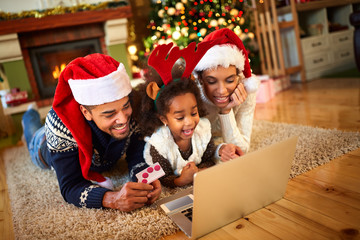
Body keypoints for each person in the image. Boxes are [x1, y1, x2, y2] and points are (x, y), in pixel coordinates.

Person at [22, 53, 161, 211]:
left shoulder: (133, 105)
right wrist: (112, 199)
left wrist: (146, 177)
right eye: (109, 114)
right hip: (43, 144)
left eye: (125, 107)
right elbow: (70, 185)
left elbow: (136, 151)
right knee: (32, 132)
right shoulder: (59, 125)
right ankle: (29, 115)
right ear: (86, 112)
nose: (123, 119)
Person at [135, 42, 242, 188]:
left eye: (193, 112)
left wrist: (201, 170)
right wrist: (180, 181)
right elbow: (163, 178)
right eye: (180, 117)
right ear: (164, 119)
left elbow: (209, 157)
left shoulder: (202, 129)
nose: (190, 122)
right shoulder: (158, 145)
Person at [193, 28, 260, 155]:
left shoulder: (246, 88)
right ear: (200, 79)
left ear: (238, 76)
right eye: (212, 82)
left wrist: (226, 112)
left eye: (229, 80)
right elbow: (190, 148)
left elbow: (241, 150)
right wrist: (218, 150)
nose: (222, 91)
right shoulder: (192, 94)